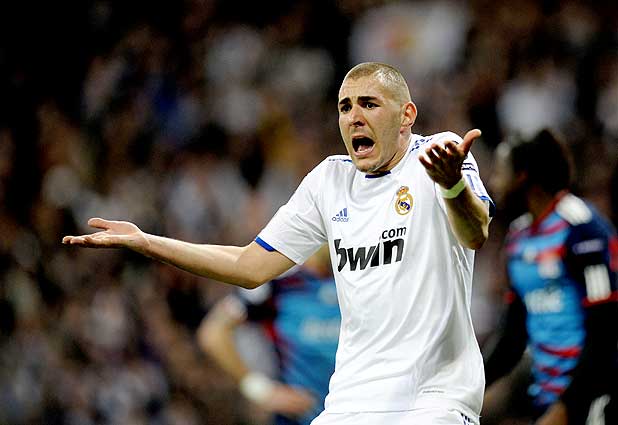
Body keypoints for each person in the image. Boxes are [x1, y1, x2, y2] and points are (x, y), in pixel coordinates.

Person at [63, 62, 493, 425]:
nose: (354, 117)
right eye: (345, 107)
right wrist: (146, 242)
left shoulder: (439, 155)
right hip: (350, 403)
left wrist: (452, 185)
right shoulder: (329, 180)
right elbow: (249, 266)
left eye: (369, 103)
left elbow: (475, 233)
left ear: (406, 115)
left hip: (431, 402)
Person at [484, 129, 618, 425]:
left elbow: (606, 330)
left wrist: (567, 407)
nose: (493, 182)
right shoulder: (518, 239)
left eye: (501, 173)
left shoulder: (583, 229)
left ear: (522, 177)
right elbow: (513, 335)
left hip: (594, 402)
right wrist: (469, 387)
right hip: (545, 398)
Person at [197, 246, 340, 425]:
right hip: (302, 417)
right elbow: (213, 333)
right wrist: (261, 391)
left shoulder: (358, 276)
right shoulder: (278, 282)